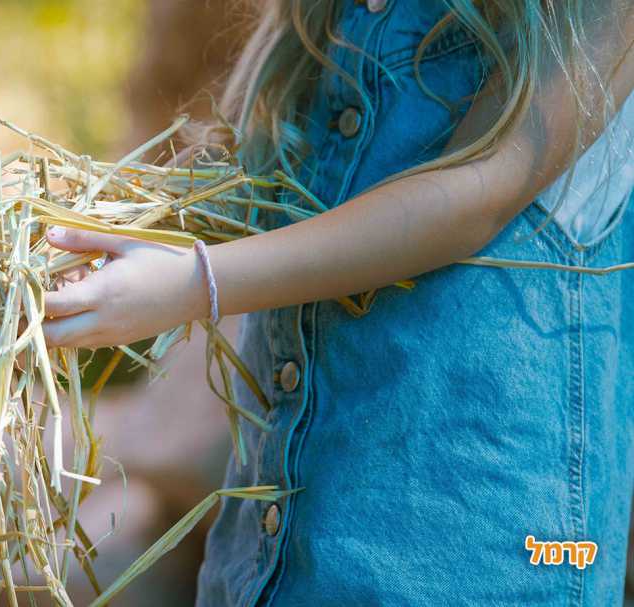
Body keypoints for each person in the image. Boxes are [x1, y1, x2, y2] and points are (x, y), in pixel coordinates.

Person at [38, 1, 634, 604]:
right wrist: (46, 266)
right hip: (279, 550)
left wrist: (197, 283)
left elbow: (478, 189)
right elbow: (249, 193)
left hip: (468, 550)